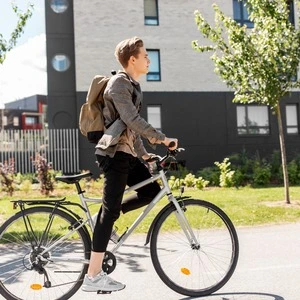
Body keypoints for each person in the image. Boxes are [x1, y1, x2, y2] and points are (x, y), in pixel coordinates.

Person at [81, 36, 178, 293]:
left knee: (152, 191)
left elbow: (128, 130)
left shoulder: (132, 85)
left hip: (125, 152)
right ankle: (93, 276)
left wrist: (145, 155)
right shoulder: (119, 84)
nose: (149, 59)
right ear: (132, 59)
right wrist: (161, 138)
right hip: (113, 154)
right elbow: (131, 119)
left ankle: (104, 218)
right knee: (109, 211)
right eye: (145, 55)